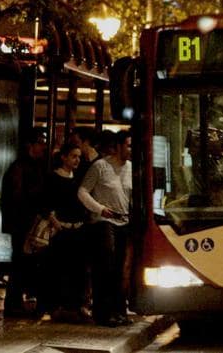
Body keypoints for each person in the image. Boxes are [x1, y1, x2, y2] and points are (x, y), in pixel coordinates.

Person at [77, 130, 132, 327]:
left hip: (124, 222)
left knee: (119, 268)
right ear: (118, 147)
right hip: (103, 222)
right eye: (128, 145)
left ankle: (119, 311)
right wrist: (100, 209)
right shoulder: (100, 166)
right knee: (106, 265)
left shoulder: (131, 169)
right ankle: (103, 312)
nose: (130, 149)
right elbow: (82, 192)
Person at [1, 127, 48, 317]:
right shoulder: (22, 168)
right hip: (24, 224)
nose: (43, 146)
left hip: (23, 223)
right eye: (40, 142)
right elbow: (17, 197)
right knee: (21, 263)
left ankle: (16, 303)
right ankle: (14, 304)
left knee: (22, 263)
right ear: (30, 145)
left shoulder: (25, 166)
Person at [41, 143, 89, 322]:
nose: (77, 160)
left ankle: (75, 306)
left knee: (77, 269)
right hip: (60, 229)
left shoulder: (78, 178)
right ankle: (57, 306)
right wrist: (55, 222)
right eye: (73, 156)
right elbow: (45, 203)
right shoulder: (52, 178)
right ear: (64, 157)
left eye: (78, 157)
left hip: (77, 229)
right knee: (58, 269)